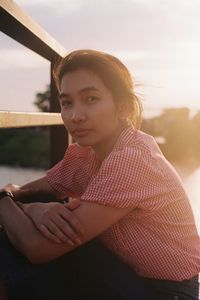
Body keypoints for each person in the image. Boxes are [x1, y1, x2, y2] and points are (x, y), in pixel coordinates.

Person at [0, 49, 199, 300]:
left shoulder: (133, 159)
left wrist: (3, 199)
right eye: (66, 103)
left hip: (166, 292)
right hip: (124, 274)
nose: (75, 116)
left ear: (123, 106)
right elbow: (23, 194)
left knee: (34, 241)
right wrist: (32, 208)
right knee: (37, 220)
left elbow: (38, 249)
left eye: (91, 99)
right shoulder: (85, 155)